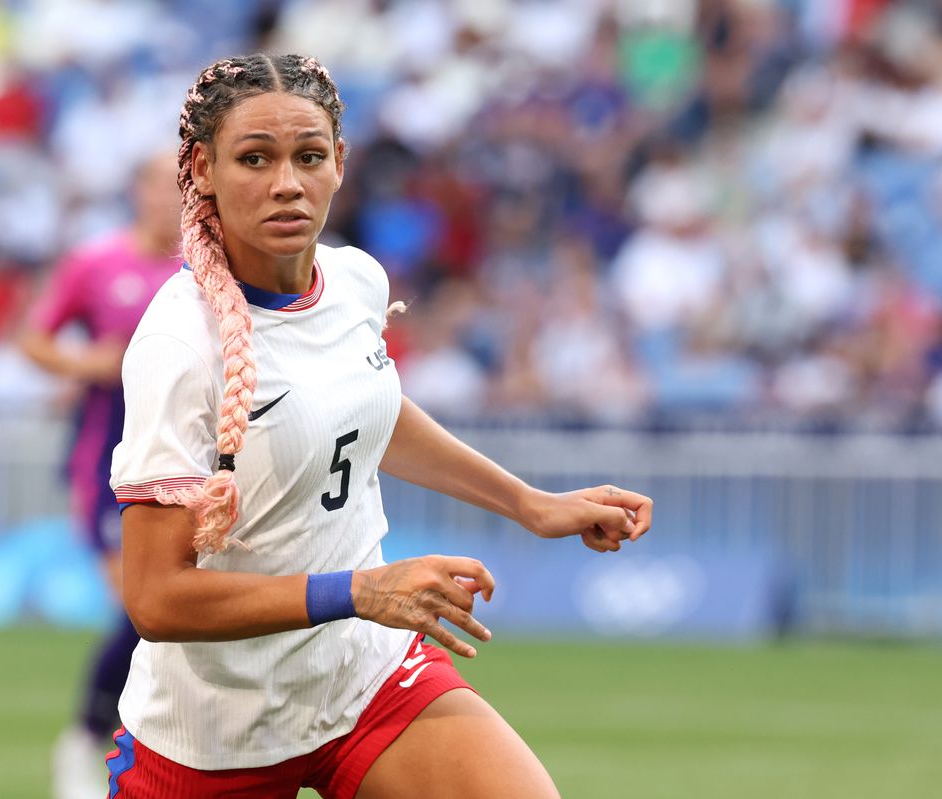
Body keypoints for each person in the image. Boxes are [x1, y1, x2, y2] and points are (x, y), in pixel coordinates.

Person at [106, 54, 653, 799]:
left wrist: (531, 503)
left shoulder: (358, 280)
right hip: (213, 734)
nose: (286, 183)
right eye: (254, 159)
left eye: (308, 156)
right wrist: (357, 589)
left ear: (340, 161)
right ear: (201, 168)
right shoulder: (177, 343)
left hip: (364, 677)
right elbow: (156, 597)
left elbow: (369, 411)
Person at [18, 153, 182, 799]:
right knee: (144, 608)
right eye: (164, 186)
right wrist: (87, 363)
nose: (175, 199)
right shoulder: (96, 263)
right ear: (139, 192)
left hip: (185, 468)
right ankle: (87, 738)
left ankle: (142, 749)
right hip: (107, 461)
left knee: (167, 616)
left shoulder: (209, 268)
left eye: (185, 187)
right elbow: (34, 339)